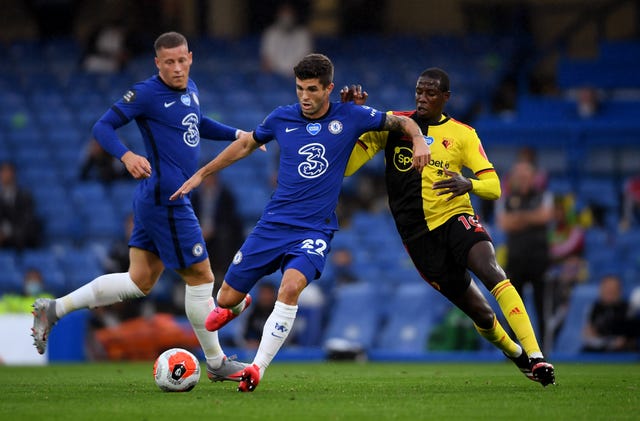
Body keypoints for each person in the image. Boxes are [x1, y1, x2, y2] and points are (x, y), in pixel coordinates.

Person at [171, 53, 430, 392]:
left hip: (314, 229)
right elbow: (247, 143)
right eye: (299, 89)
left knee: (289, 287)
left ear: (328, 89)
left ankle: (256, 368)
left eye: (312, 89)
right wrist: (203, 173)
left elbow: (404, 122)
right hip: (273, 225)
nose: (305, 97)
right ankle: (239, 302)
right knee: (225, 299)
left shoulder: (350, 116)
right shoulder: (281, 118)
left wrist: (420, 140)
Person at [31, 31, 250, 383]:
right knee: (201, 277)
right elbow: (102, 126)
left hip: (157, 197)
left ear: (190, 57)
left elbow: (197, 123)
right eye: (169, 63)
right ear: (157, 63)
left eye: (182, 60)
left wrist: (237, 134)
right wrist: (127, 154)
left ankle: (54, 309)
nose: (177, 68)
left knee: (140, 281)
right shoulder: (146, 93)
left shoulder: (190, 87)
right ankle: (216, 361)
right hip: (168, 199)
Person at [341, 68, 555, 386]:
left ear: (446, 97)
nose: (423, 98)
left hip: (455, 217)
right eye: (419, 91)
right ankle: (518, 356)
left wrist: (468, 183)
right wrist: (352, 119)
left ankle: (536, 356)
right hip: (418, 237)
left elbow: (494, 187)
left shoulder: (463, 134)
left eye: (431, 93)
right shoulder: (393, 125)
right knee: (481, 314)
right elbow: (345, 169)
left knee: (493, 271)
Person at [496, 159, 554, 349]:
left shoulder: (544, 196)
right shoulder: (506, 199)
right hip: (515, 260)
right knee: (514, 307)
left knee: (541, 308)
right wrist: (531, 217)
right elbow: (504, 223)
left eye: (525, 176)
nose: (522, 180)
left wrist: (519, 217)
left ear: (533, 178)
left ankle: (543, 350)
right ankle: (516, 350)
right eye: (518, 176)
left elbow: (545, 216)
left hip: (539, 260)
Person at [190, 173, 244, 289]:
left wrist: (212, 230)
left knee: (224, 238)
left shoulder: (226, 196)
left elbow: (230, 220)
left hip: (218, 235)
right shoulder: (195, 197)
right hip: (198, 233)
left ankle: (219, 274)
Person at [583, 274, 639, 352]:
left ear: (619, 291)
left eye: (612, 290)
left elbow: (629, 336)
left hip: (622, 351)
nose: (609, 293)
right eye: (606, 289)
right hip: (597, 349)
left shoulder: (629, 309)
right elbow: (588, 333)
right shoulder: (593, 308)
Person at [260, 2, 313, 77]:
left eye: (289, 13)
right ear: (278, 15)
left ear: (294, 15)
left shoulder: (303, 34)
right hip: (275, 76)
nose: (286, 17)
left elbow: (306, 58)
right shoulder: (270, 33)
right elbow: (266, 59)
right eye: (283, 13)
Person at [0, 161, 42, 250]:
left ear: (14, 175)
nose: (6, 175)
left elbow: (26, 221)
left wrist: (7, 234)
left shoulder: (25, 196)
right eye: (3, 172)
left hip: (20, 241)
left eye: (9, 172)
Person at [240, 282, 278, 349]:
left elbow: (289, 333)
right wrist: (247, 342)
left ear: (274, 295)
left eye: (268, 293)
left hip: (279, 348)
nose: (266, 297)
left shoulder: (280, 312)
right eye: (263, 293)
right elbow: (242, 332)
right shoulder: (251, 311)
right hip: (253, 348)